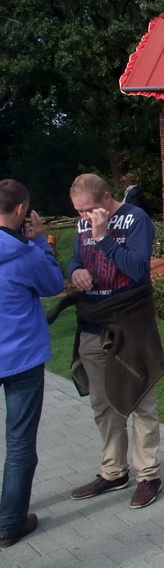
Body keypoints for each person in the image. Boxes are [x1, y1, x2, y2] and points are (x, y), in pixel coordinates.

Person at [67, 173, 164, 510]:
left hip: (130, 322)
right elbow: (76, 258)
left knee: (140, 399)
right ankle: (113, 471)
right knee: (103, 402)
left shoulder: (135, 220)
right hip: (94, 321)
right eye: (79, 212)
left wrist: (104, 236)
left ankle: (148, 474)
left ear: (106, 198)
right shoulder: (82, 226)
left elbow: (138, 269)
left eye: (89, 210)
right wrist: (75, 271)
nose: (83, 218)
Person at [0, 180, 65, 548]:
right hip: (21, 357)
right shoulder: (23, 254)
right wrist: (40, 242)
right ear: (23, 210)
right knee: (20, 442)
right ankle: (9, 522)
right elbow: (53, 284)